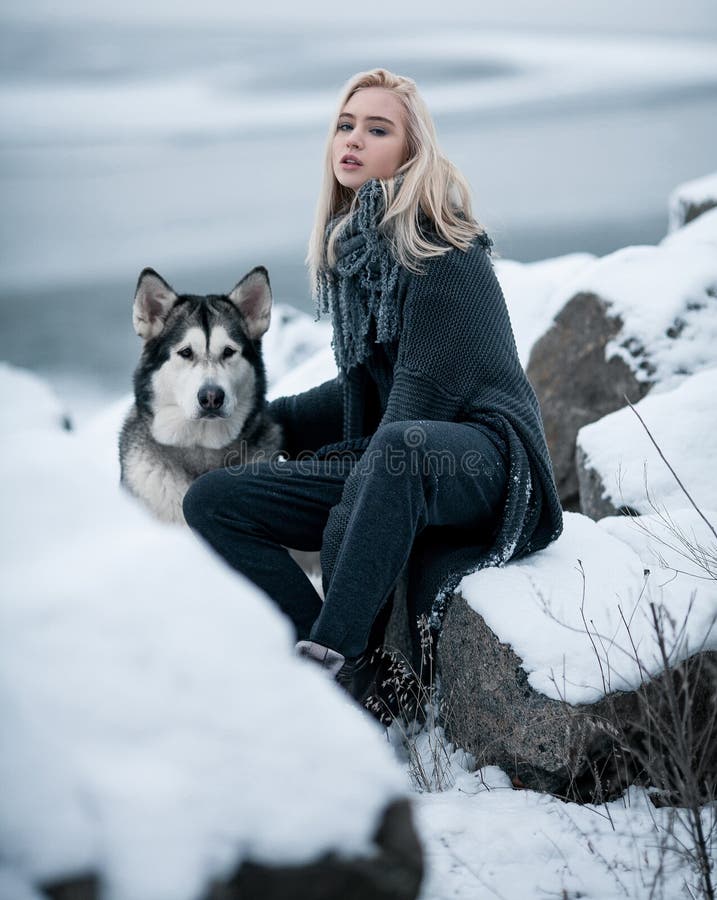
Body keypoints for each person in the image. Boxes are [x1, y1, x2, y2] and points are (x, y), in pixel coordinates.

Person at [182, 68, 563, 712]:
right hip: (404, 458)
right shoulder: (364, 255)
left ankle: (333, 656)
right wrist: (260, 429)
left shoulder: (442, 254)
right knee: (216, 499)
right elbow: (361, 387)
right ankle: (349, 678)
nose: (352, 140)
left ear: (411, 153)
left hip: (483, 461)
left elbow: (417, 409)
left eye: (377, 129)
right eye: (344, 125)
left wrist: (334, 489)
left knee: (394, 455)